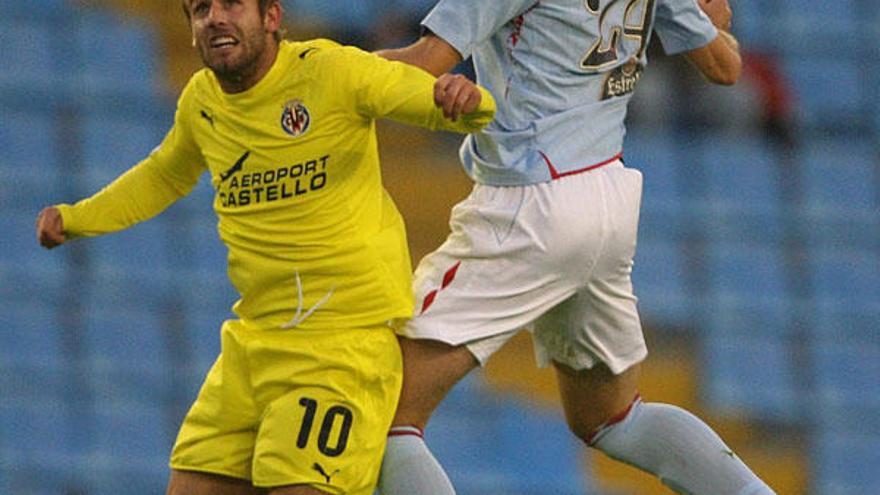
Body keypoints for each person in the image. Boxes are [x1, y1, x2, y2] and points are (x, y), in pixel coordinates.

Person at [35, 1, 494, 494]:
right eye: (199, 10)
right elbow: (163, 174)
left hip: (338, 348)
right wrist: (78, 219)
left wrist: (466, 101)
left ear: (272, 17)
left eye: (231, 4)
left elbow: (442, 105)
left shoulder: (331, 70)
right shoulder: (202, 101)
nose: (213, 18)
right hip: (254, 346)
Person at [376, 0, 776, 494]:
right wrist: (713, 27)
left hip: (531, 203)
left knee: (381, 410)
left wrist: (312, 68)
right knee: (613, 418)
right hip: (606, 190)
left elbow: (426, 61)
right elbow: (725, 66)